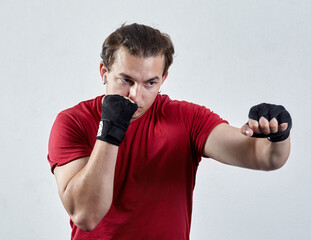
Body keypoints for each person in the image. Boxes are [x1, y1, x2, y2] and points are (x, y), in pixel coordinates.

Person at [47, 23, 292, 240]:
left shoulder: (186, 119)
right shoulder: (73, 122)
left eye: (150, 83)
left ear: (163, 79)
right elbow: (86, 216)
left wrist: (278, 133)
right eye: (126, 80)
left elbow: (265, 157)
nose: (136, 95)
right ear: (104, 73)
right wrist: (111, 128)